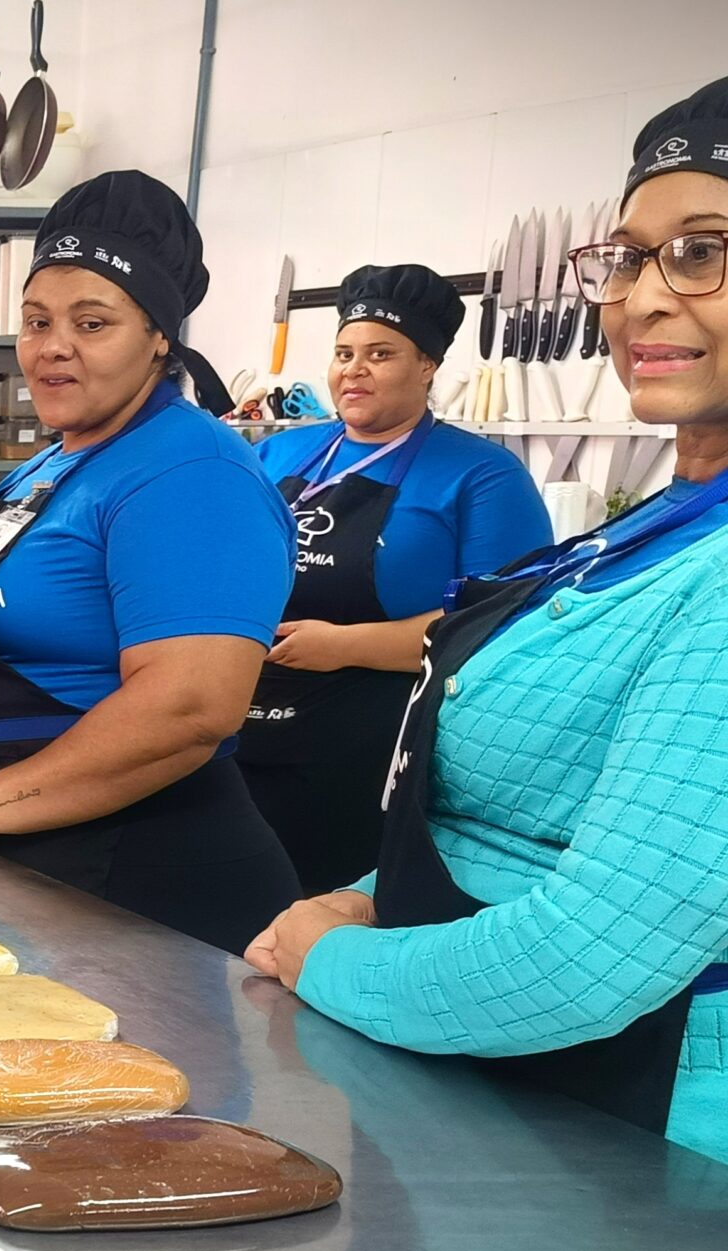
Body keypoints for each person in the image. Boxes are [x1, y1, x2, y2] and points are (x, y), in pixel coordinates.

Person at [246, 78, 728, 1165]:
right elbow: (511, 831)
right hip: (491, 1074)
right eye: (628, 255)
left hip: (638, 1139)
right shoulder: (659, 526)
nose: (640, 298)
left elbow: (593, 955)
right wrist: (365, 899)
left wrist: (324, 960)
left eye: (701, 250)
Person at [0, 170, 303, 955]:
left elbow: (190, 708)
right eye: (36, 320)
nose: (53, 346)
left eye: (92, 323)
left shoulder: (191, 472)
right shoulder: (49, 468)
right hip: (20, 869)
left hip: (139, 886)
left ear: (160, 335)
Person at [238, 264, 552, 892]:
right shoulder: (279, 452)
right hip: (238, 732)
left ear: (428, 365)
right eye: (344, 353)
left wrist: (343, 647)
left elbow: (499, 626)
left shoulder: (481, 475)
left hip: (372, 747)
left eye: (380, 354)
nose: (354, 369)